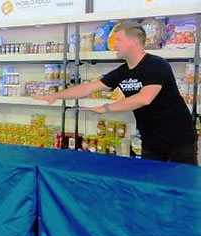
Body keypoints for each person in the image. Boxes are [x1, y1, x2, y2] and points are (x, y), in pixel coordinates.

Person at [32, 22, 198, 165]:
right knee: (150, 186)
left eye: (118, 40)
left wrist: (106, 108)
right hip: (150, 140)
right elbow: (89, 88)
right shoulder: (122, 72)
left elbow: (145, 98)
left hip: (179, 139)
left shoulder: (157, 65)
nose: (114, 44)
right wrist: (56, 95)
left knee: (185, 187)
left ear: (133, 41)